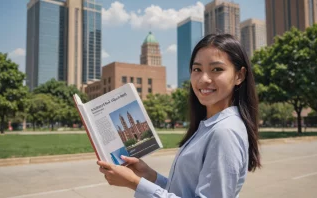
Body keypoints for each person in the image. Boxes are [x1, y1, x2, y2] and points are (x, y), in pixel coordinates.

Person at [97, 34, 261, 198]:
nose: (203, 79)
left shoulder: (225, 132)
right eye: (197, 69)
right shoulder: (209, 125)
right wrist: (149, 176)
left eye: (217, 69)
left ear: (239, 75)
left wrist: (134, 183)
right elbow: (186, 191)